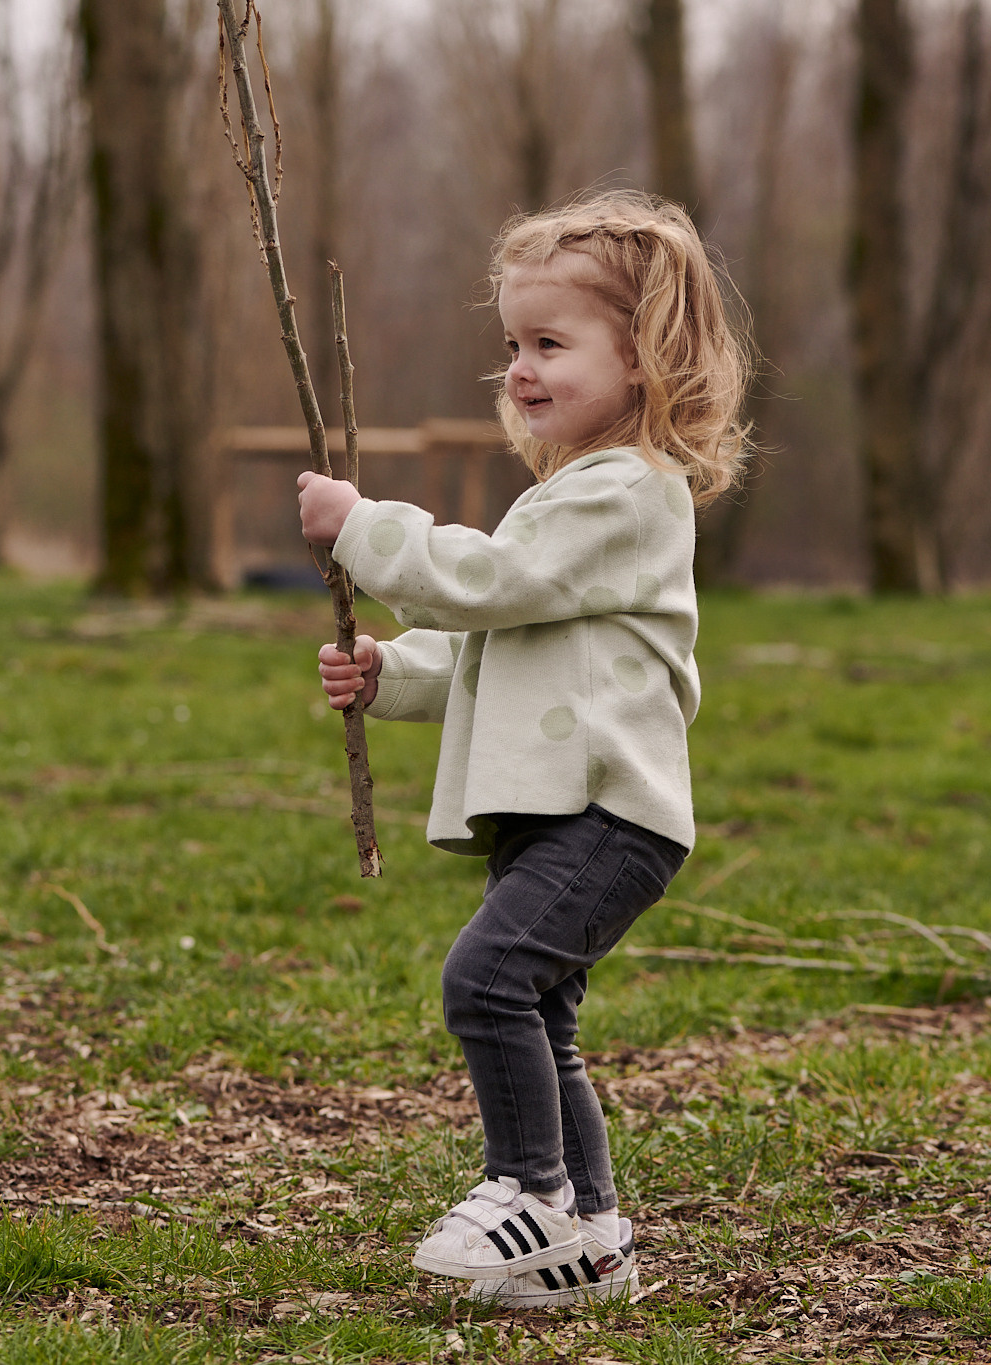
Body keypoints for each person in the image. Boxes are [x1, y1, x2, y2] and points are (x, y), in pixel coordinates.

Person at [295, 190, 750, 1307]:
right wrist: (388, 675)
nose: (522, 370)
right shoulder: (569, 495)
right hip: (558, 810)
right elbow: (492, 645)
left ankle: (527, 1191)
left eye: (551, 343)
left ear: (644, 357)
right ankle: (588, 1239)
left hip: (608, 814)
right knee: (538, 1007)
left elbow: (490, 585)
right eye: (512, 347)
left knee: (487, 978)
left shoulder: (631, 493)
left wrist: (365, 528)